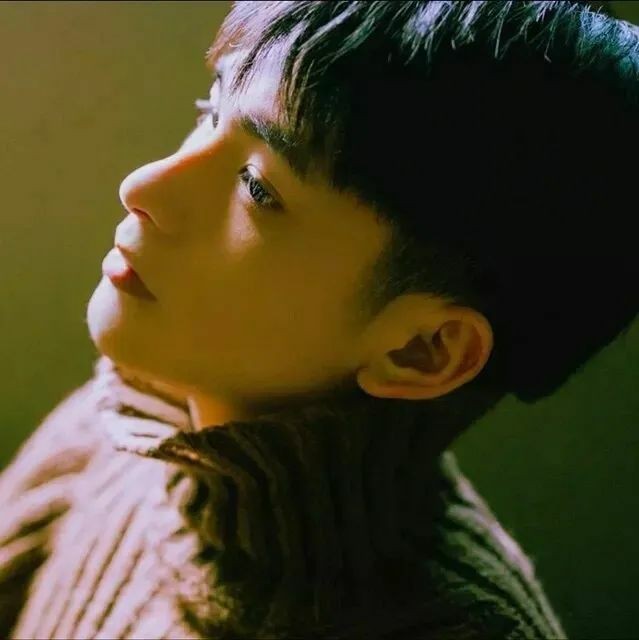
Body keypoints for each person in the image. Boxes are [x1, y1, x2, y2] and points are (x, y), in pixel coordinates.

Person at [1, 1, 636, 638]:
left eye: (258, 187)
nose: (143, 186)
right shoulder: (124, 427)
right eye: (210, 111)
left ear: (422, 350)